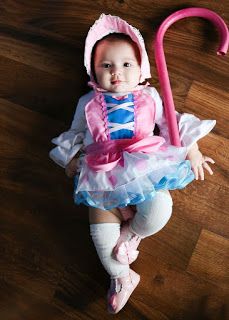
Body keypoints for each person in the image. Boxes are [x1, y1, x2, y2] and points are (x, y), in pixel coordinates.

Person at [49, 14, 215, 314]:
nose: (117, 73)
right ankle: (123, 276)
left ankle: (133, 234)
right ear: (93, 70)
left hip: (143, 165)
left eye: (127, 64)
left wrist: (192, 150)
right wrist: (70, 159)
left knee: (161, 209)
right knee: (100, 235)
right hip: (102, 174)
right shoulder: (86, 103)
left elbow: (170, 125)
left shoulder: (149, 95)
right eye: (106, 65)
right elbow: (75, 133)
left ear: (141, 70)